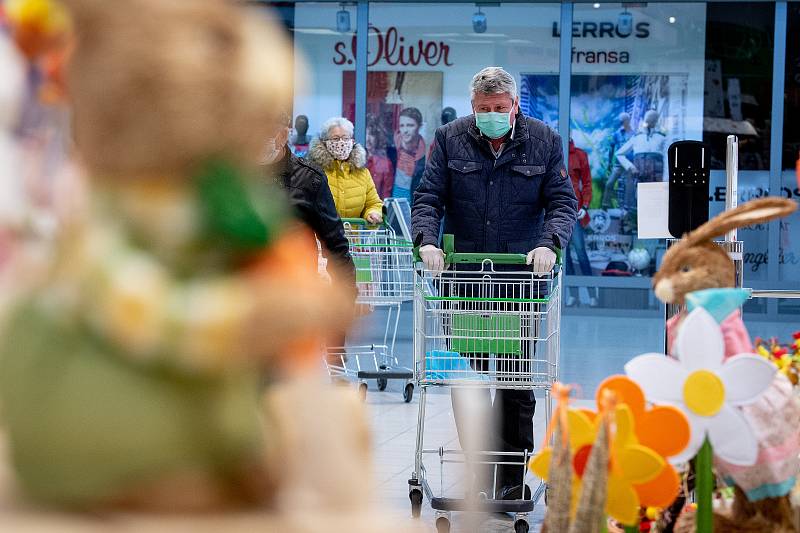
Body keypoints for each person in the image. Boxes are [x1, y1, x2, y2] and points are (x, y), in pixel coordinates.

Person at [412, 66, 577, 500]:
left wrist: (550, 244)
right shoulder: (451, 138)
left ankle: (510, 479)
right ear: (472, 108)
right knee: (469, 382)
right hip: (464, 282)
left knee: (515, 382)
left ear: (514, 105)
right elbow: (428, 197)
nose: (491, 115)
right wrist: (427, 242)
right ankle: (477, 478)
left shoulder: (544, 140)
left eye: (499, 108)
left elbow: (562, 202)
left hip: (520, 281)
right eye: (483, 109)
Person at [259, 112, 356, 289]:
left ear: (283, 136)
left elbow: (335, 243)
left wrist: (346, 296)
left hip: (296, 290)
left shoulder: (309, 178)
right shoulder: (235, 176)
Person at [308, 117, 383, 223]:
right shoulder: (312, 172)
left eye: (345, 138)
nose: (341, 143)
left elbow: (373, 203)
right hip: (322, 237)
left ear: (352, 141)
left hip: (354, 237)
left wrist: (373, 213)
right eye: (335, 139)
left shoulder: (362, 172)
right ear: (324, 142)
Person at [566, 138, 598, 306]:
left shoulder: (579, 155)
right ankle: (573, 295)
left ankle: (592, 295)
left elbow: (587, 183)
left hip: (575, 211)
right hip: (557, 210)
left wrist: (585, 205)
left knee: (580, 252)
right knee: (565, 256)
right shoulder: (552, 152)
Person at [615, 109, 667, 213]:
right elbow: (619, 154)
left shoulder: (662, 138)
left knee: (655, 208)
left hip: (656, 180)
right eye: (647, 120)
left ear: (656, 121)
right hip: (639, 178)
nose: (648, 123)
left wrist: (665, 180)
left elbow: (667, 160)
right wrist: (631, 167)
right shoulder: (637, 138)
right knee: (638, 206)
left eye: (652, 120)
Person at [391, 107, 426, 202]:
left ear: (420, 127)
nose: (405, 130)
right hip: (390, 200)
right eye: (402, 126)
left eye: (410, 125)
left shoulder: (424, 154)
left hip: (412, 202)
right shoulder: (391, 149)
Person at [601, 112, 633, 209]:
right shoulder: (617, 134)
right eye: (621, 121)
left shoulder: (634, 134)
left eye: (623, 120)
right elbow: (611, 148)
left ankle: (627, 208)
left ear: (628, 120)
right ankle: (605, 205)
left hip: (629, 163)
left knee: (629, 185)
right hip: (618, 164)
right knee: (610, 183)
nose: (621, 122)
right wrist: (609, 163)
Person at [366, 119, 395, 199]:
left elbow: (386, 195)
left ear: (378, 137)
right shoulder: (354, 160)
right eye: (366, 133)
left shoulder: (385, 163)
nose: (367, 139)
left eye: (371, 134)